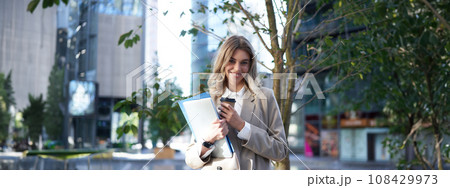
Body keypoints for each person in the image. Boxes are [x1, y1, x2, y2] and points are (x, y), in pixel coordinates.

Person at [185, 35, 288, 170]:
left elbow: (280, 151)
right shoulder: (207, 100)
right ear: (222, 62)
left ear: (250, 65)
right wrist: (208, 140)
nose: (237, 68)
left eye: (244, 62)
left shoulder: (265, 97)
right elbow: (191, 160)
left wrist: (242, 126)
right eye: (231, 61)